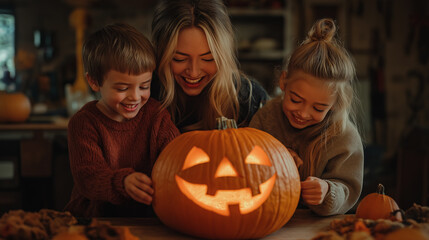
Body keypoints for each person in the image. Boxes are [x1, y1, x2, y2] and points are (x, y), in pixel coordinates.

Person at [249, 18, 363, 216]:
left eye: (318, 108)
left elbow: (348, 188)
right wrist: (276, 157)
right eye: (295, 99)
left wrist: (328, 191)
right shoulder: (266, 117)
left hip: (315, 225)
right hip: (267, 216)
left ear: (334, 104)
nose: (303, 113)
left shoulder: (344, 136)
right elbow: (245, 161)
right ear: (283, 82)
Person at [64, 23, 180, 217]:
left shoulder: (156, 115)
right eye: (122, 88)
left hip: (146, 219)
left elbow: (177, 157)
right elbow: (88, 176)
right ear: (94, 81)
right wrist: (122, 182)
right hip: (94, 219)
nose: (135, 97)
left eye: (144, 86)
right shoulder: (84, 123)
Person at [151, 0, 269, 132]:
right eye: (179, 59)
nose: (194, 72)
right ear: (161, 55)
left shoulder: (250, 99)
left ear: (224, 57)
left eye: (208, 59)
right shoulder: (146, 94)